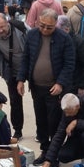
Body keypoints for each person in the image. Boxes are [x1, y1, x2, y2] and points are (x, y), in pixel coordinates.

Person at [17, 9, 76, 153]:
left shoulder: (64, 38)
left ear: (56, 24)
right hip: (37, 87)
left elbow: (69, 64)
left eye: (49, 27)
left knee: (54, 122)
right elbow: (25, 59)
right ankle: (44, 150)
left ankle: (54, 154)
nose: (44, 29)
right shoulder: (31, 35)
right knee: (41, 120)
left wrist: (60, 83)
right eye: (42, 25)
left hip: (54, 89)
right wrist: (21, 79)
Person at [0, 13, 26, 140]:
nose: (0, 30)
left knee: (39, 99)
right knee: (15, 101)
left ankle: (43, 133)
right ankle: (18, 129)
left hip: (28, 66)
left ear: (7, 23)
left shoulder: (20, 29)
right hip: (11, 71)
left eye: (2, 27)